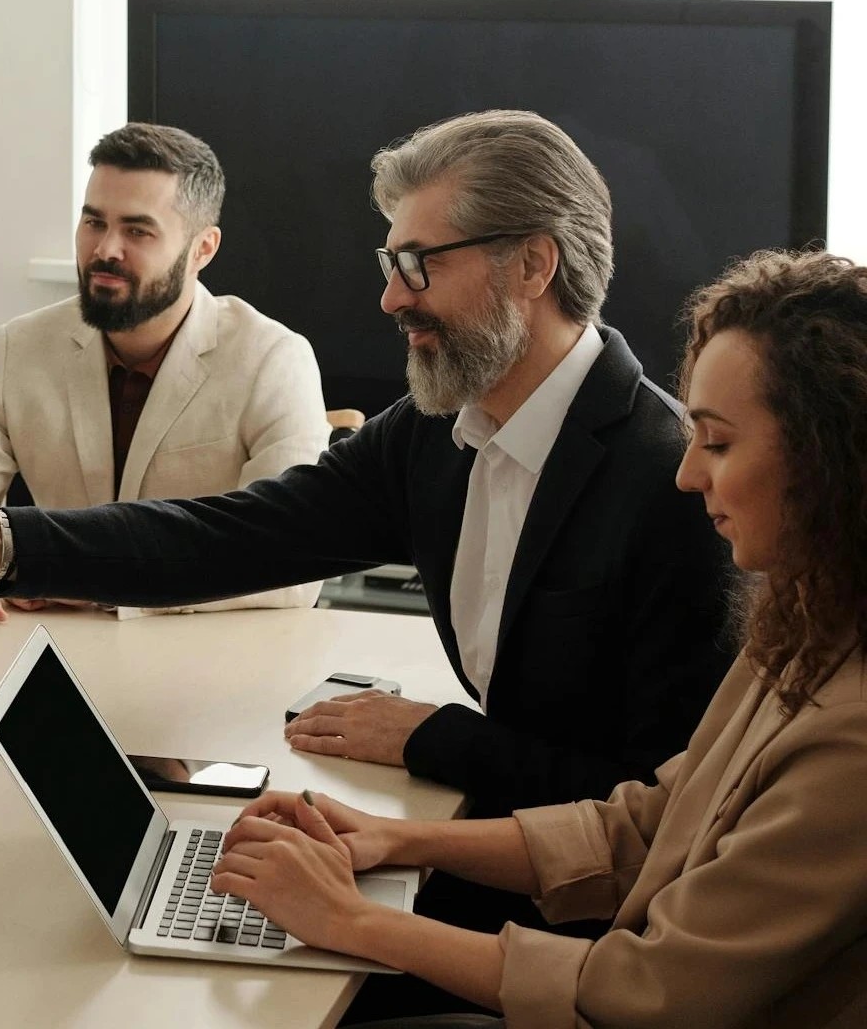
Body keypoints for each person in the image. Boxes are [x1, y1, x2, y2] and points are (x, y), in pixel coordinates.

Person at [0, 110, 738, 1018]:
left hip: (594, 939)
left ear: (532, 265)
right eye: (388, 266)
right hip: (507, 855)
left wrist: (431, 738)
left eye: (418, 266)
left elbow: (665, 813)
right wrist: (2, 543)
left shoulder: (674, 484)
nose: (390, 300)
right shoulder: (437, 433)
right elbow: (232, 535)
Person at [206, 248, 867, 1028]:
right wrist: (398, 839)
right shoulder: (806, 623)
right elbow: (638, 827)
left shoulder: (849, 740)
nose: (688, 475)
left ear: (833, 461)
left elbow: (648, 994)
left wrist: (353, 922)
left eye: (717, 443)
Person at [0, 123, 327, 625]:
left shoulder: (273, 358)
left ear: (203, 249)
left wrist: (92, 580)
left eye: (137, 230)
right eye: (94, 222)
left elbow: (296, 563)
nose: (105, 249)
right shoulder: (22, 348)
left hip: (209, 662)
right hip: (47, 656)